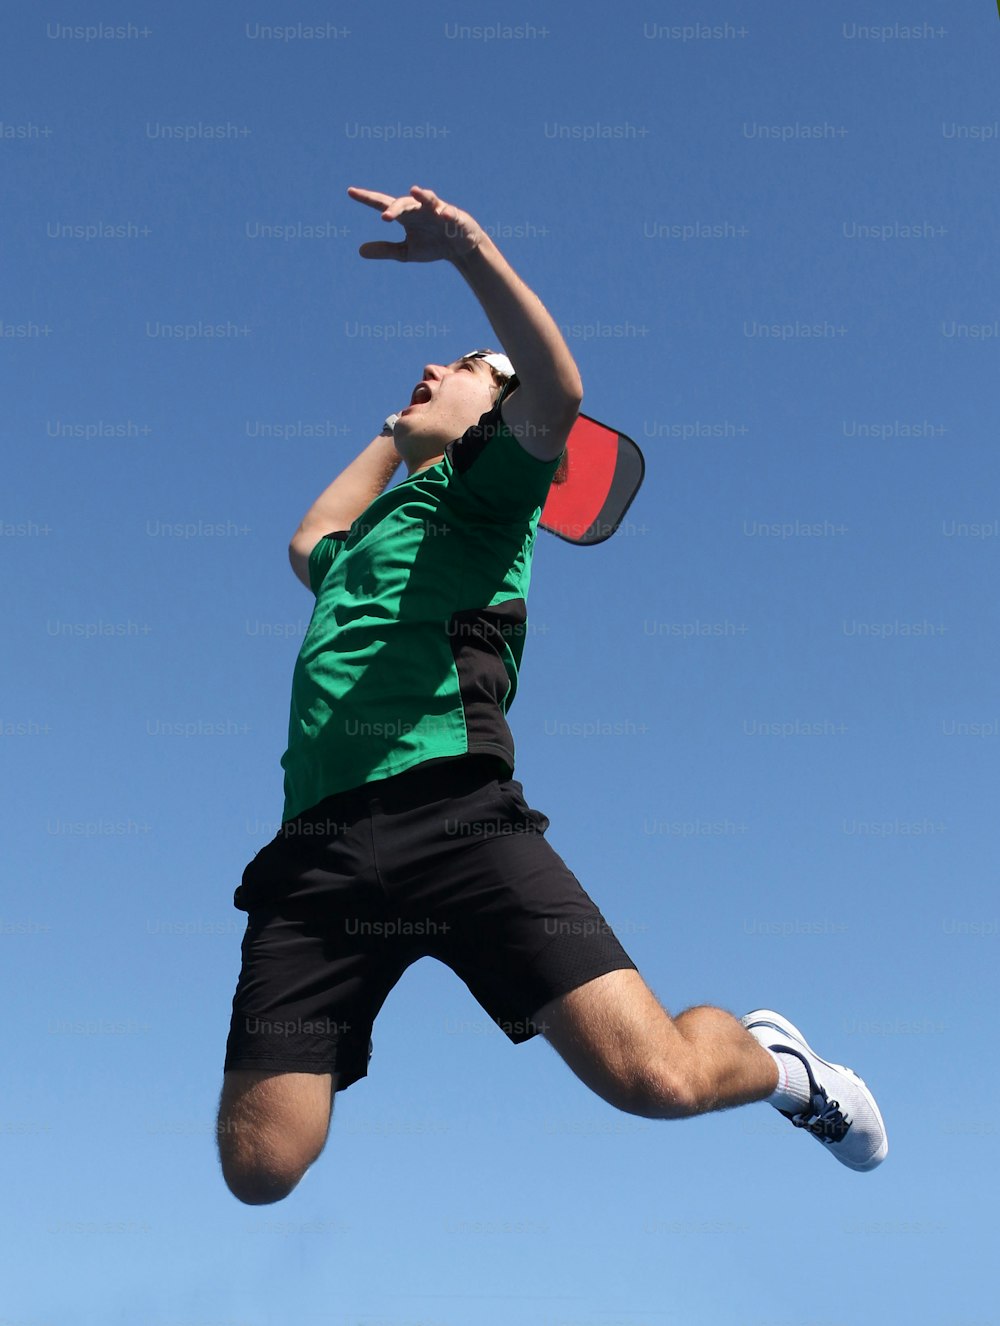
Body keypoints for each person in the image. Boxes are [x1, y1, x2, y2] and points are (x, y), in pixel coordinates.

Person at [216, 185, 888, 1205]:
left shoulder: (489, 502)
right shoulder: (363, 544)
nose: (437, 368)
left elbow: (557, 392)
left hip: (456, 820)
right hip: (312, 857)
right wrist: (399, 429)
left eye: (464, 369)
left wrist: (470, 254)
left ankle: (781, 1068)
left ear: (498, 416)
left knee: (654, 1079)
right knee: (261, 1166)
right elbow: (308, 537)